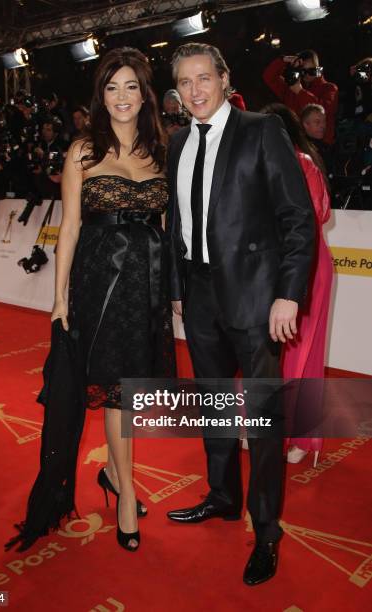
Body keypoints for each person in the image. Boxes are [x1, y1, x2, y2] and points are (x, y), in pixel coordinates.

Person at [5, 47, 176, 554]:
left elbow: (164, 227)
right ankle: (125, 493)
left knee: (128, 390)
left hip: (145, 289)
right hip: (99, 285)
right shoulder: (82, 150)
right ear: (101, 95)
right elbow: (71, 229)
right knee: (115, 390)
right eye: (111, 87)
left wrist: (173, 293)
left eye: (131, 87)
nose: (122, 97)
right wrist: (59, 299)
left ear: (145, 94)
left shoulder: (159, 150)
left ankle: (112, 473)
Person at [166, 43, 315, 586]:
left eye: (204, 78)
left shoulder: (259, 131)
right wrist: (179, 288)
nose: (196, 90)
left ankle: (267, 530)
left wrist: (288, 294)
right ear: (177, 92)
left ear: (224, 78)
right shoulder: (178, 140)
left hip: (256, 298)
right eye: (185, 82)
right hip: (199, 296)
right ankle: (224, 497)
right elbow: (177, 223)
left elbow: (298, 220)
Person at [261, 103, 333, 467]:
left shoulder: (299, 161)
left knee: (296, 352)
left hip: (303, 265)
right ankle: (297, 435)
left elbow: (314, 216)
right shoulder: (294, 160)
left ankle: (290, 435)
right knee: (285, 351)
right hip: (286, 265)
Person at [263, 49, 338, 144]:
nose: (307, 75)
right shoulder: (290, 89)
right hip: (297, 143)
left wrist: (300, 92)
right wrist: (285, 60)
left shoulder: (329, 88)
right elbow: (268, 76)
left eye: (312, 71)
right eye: (303, 71)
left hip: (321, 145)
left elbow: (322, 110)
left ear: (318, 70)